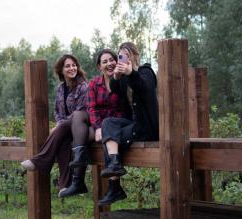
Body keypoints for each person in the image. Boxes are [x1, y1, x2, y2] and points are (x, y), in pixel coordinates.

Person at [58, 49, 132, 197]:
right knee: (79, 121)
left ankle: (78, 181)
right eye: (105, 62)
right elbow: (92, 108)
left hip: (117, 125)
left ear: (117, 61)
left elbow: (124, 109)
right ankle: (77, 176)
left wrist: (102, 128)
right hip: (100, 125)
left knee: (81, 135)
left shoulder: (122, 80)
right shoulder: (94, 83)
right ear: (99, 67)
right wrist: (98, 127)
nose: (109, 64)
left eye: (112, 60)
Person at [97, 42, 159, 205]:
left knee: (109, 137)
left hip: (147, 129)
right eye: (121, 56)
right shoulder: (124, 77)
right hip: (134, 125)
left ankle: (114, 187)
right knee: (108, 124)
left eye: (126, 55)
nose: (123, 59)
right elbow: (115, 89)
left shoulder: (146, 71)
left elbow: (144, 88)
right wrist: (116, 77)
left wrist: (131, 73)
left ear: (135, 56)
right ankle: (115, 165)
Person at [20, 54, 89, 195]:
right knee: (63, 142)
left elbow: (80, 111)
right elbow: (57, 110)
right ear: (61, 70)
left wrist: (60, 125)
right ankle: (64, 185)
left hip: (81, 127)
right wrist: (60, 123)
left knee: (63, 128)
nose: (72, 68)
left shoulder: (83, 87)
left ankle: (39, 161)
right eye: (68, 66)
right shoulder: (60, 89)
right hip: (65, 129)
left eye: (74, 65)